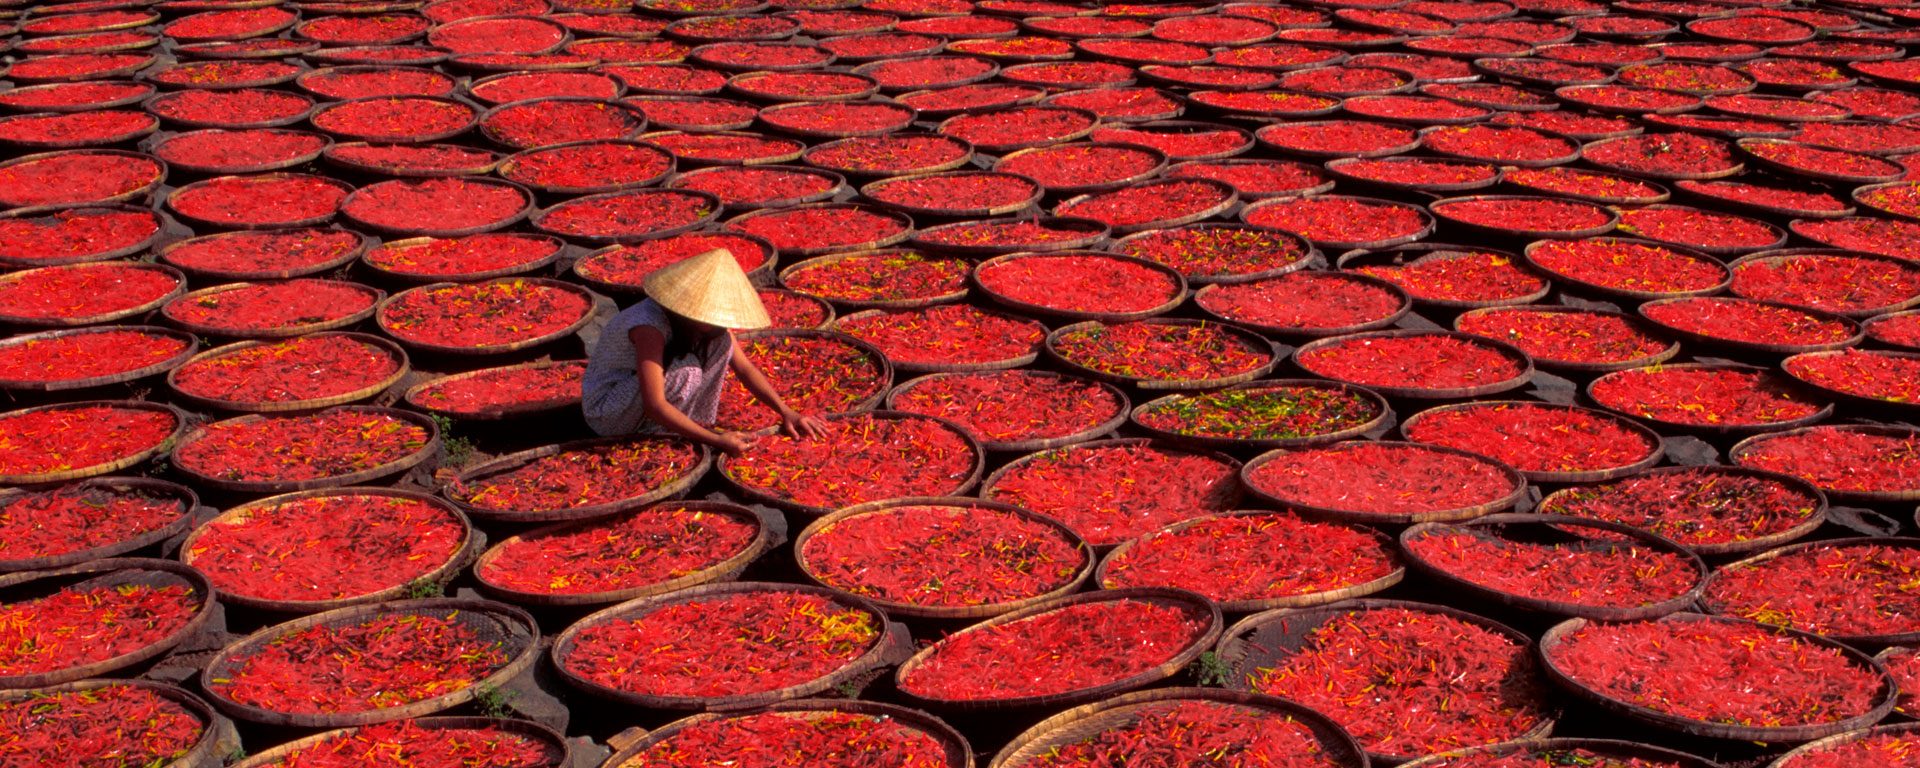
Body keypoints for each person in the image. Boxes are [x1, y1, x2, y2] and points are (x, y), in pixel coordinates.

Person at [582, 248, 825, 454]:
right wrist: (716, 440)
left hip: (640, 402)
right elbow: (654, 403)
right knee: (685, 373)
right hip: (608, 412)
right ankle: (654, 434)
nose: (715, 322)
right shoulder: (649, 326)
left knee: (721, 343)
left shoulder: (707, 329)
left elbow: (745, 369)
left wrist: (786, 411)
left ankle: (685, 424)